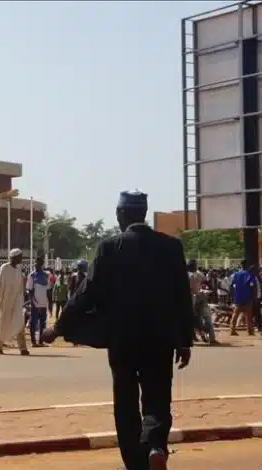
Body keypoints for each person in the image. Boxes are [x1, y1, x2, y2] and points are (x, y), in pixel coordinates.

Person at [42, 190, 193, 470]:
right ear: (144, 213)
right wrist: (185, 340)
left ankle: (136, 462)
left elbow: (87, 293)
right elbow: (182, 296)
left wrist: (58, 327)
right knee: (158, 398)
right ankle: (155, 445)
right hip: (161, 339)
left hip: (122, 339)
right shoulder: (171, 247)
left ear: (122, 214)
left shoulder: (110, 247)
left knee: (125, 401)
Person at [0, 248, 30, 356]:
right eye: (20, 257)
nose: (21, 259)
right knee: (2, 323)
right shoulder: (4, 268)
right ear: (14, 257)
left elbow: (20, 286)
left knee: (20, 323)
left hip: (16, 301)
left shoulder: (19, 268)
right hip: (4, 301)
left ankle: (23, 348)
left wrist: (22, 300)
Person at [188, 259, 217, 345]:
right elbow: (207, 283)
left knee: (194, 318)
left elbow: (206, 283)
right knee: (204, 318)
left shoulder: (188, 274)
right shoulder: (198, 274)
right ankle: (209, 337)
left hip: (194, 297)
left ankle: (200, 335)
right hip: (199, 296)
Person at [229, 259, 257, 336]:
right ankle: (250, 331)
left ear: (241, 265)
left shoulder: (236, 274)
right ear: (247, 265)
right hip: (247, 297)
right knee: (249, 316)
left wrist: (232, 296)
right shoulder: (250, 274)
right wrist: (254, 297)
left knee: (235, 315)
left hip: (238, 298)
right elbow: (253, 286)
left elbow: (231, 286)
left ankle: (232, 330)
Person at [26, 256, 49, 347]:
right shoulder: (31, 275)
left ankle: (41, 341)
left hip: (43, 303)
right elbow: (29, 290)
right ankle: (33, 342)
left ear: (41, 264)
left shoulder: (45, 275)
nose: (36, 264)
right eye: (35, 262)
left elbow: (47, 290)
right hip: (35, 303)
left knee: (42, 323)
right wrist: (32, 301)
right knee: (33, 322)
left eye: (38, 263)